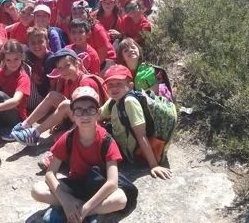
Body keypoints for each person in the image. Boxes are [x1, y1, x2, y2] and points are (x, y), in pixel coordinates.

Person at [31, 86, 136, 223]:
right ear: (73, 115)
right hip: (74, 186)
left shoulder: (107, 141)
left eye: (90, 110)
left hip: (98, 187)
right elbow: (50, 173)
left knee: (120, 199)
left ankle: (76, 212)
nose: (85, 115)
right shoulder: (68, 138)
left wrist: (85, 208)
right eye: (79, 110)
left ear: (98, 113)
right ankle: (76, 208)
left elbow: (112, 183)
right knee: (37, 190)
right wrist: (66, 199)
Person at [11, 48, 104, 147]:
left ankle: (35, 133)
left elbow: (87, 110)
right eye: (60, 68)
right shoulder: (69, 80)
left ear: (77, 63)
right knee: (53, 95)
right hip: (78, 114)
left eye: (67, 66)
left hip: (93, 119)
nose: (63, 71)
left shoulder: (85, 82)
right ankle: (24, 125)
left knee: (65, 105)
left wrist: (69, 134)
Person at [99, 65, 172, 179]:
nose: (114, 88)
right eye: (110, 85)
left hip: (130, 153)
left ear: (130, 85)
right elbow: (97, 116)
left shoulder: (130, 102)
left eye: (119, 84)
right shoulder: (113, 101)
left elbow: (141, 135)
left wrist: (153, 165)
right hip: (120, 145)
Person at [0, 39, 31, 139]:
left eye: (16, 59)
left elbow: (16, 101)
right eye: (8, 60)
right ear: (4, 60)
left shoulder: (23, 77)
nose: (13, 63)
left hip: (16, 117)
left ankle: (8, 128)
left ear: (22, 58)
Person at [69, 0, 116, 68]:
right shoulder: (72, 28)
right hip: (85, 61)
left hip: (105, 61)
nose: (78, 16)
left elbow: (102, 54)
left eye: (81, 12)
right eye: (75, 13)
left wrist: (90, 69)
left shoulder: (97, 28)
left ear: (88, 13)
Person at [24, 26, 54, 113]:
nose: (37, 46)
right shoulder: (29, 55)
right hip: (35, 94)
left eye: (40, 42)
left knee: (24, 68)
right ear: (28, 45)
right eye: (33, 43)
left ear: (47, 42)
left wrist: (45, 107)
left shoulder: (50, 59)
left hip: (44, 98)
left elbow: (53, 87)